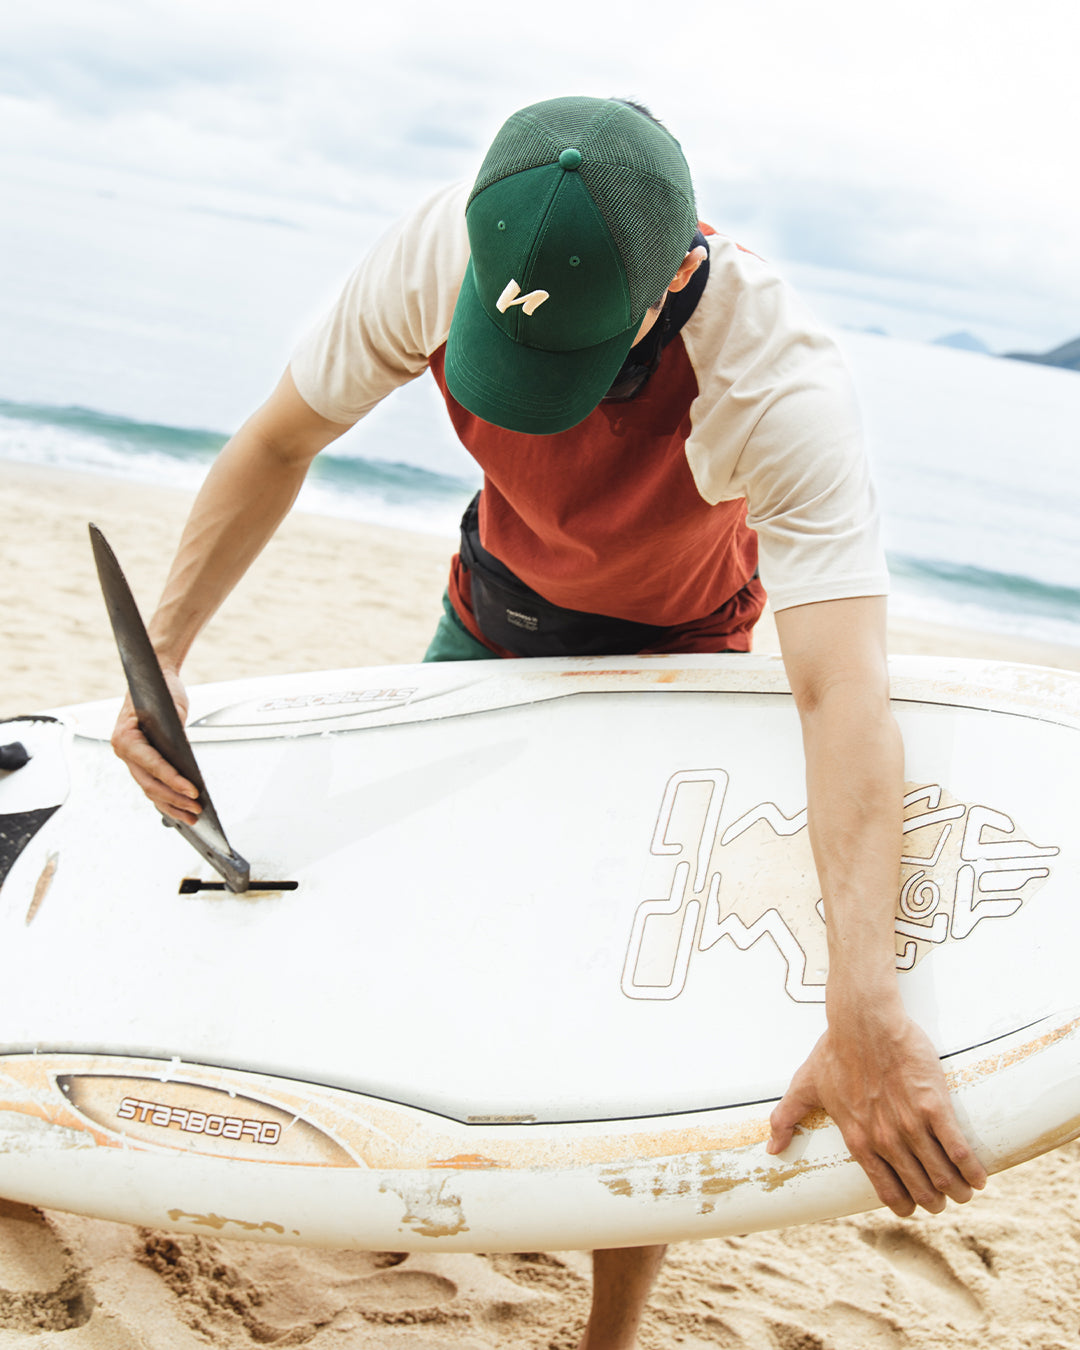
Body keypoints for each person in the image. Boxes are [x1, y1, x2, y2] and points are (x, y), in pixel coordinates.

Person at [112, 96, 988, 1350]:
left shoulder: (776, 381)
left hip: (674, 655)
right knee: (418, 899)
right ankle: (405, 1169)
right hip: (496, 607)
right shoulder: (436, 250)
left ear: (675, 276)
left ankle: (610, 1328)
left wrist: (864, 1004)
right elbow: (278, 440)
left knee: (624, 1004)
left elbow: (841, 691)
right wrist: (167, 652)